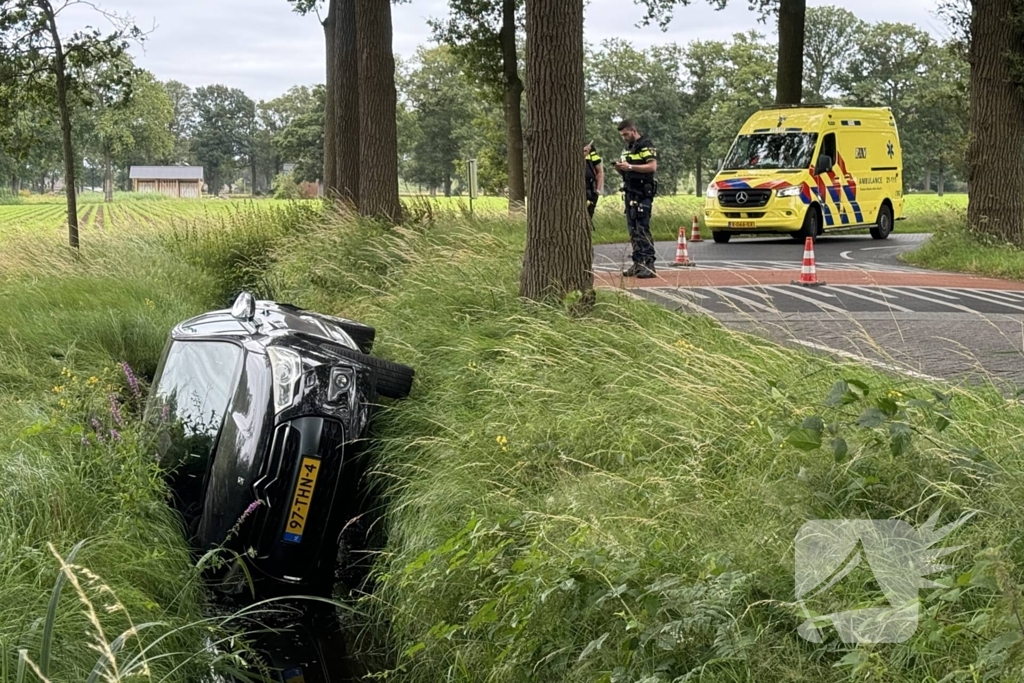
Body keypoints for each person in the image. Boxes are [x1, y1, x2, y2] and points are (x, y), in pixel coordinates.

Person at [613, 120, 658, 278]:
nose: (624, 137)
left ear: (633, 130)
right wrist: (621, 169)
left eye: (626, 134)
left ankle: (649, 264)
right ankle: (637, 263)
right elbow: (627, 172)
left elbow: (652, 166)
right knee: (633, 230)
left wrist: (631, 167)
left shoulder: (645, 145)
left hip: (642, 193)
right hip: (630, 191)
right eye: (622, 135)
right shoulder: (628, 149)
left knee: (642, 228)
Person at [584, 141, 603, 219]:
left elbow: (599, 172)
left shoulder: (590, 149)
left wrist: (597, 191)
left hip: (590, 190)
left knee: (588, 217)